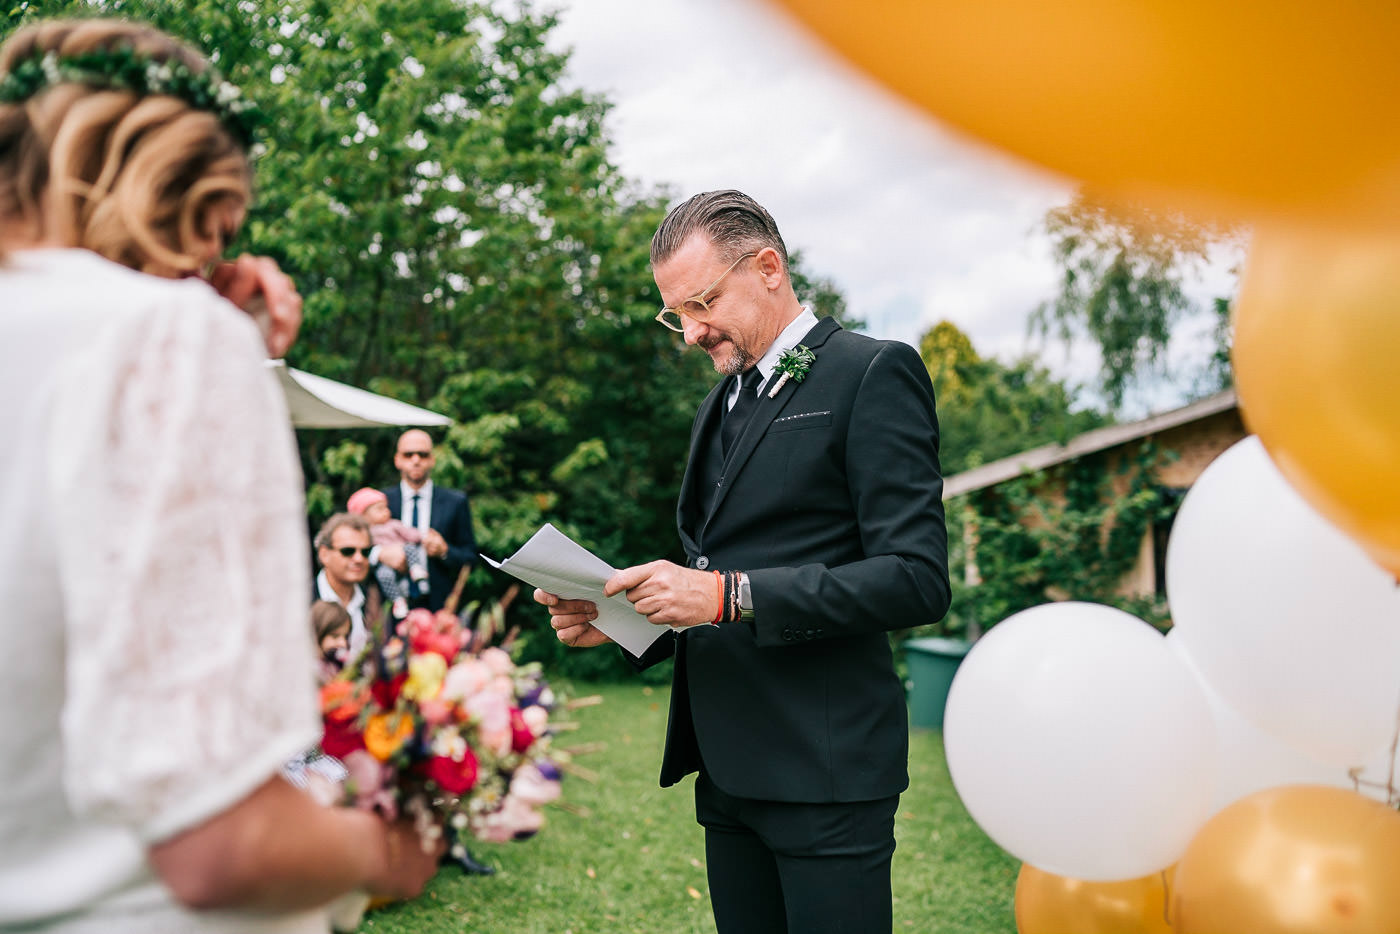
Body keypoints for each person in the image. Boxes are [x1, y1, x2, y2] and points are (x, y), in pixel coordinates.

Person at [0, 19, 440, 932]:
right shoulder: (173, 340)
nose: (210, 265)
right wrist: (390, 850)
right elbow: (219, 845)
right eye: (214, 229)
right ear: (167, 191)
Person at [535, 190, 950, 934]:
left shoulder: (870, 373)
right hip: (726, 774)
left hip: (824, 771)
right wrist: (626, 621)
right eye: (676, 314)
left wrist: (729, 596)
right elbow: (713, 570)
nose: (690, 333)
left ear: (767, 267)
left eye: (701, 304)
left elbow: (914, 577)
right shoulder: (718, 406)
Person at [379, 429, 476, 611]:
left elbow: (470, 557)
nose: (416, 460)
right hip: (391, 604)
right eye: (408, 455)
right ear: (397, 460)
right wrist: (379, 554)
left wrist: (445, 551)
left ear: (432, 459)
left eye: (422, 455)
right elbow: (361, 548)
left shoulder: (455, 502)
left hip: (439, 605)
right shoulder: (380, 501)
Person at [346, 486, 429, 620]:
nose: (386, 512)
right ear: (363, 515)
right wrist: (378, 554)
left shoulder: (393, 525)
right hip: (382, 576)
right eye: (379, 509)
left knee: (410, 548)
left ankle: (416, 568)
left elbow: (410, 534)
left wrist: (424, 537)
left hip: (403, 552)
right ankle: (398, 601)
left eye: (386, 508)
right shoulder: (362, 534)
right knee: (384, 575)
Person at [313, 513, 384, 657]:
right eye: (348, 551)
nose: (359, 559)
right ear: (324, 554)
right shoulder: (302, 603)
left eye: (365, 552)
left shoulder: (377, 598)